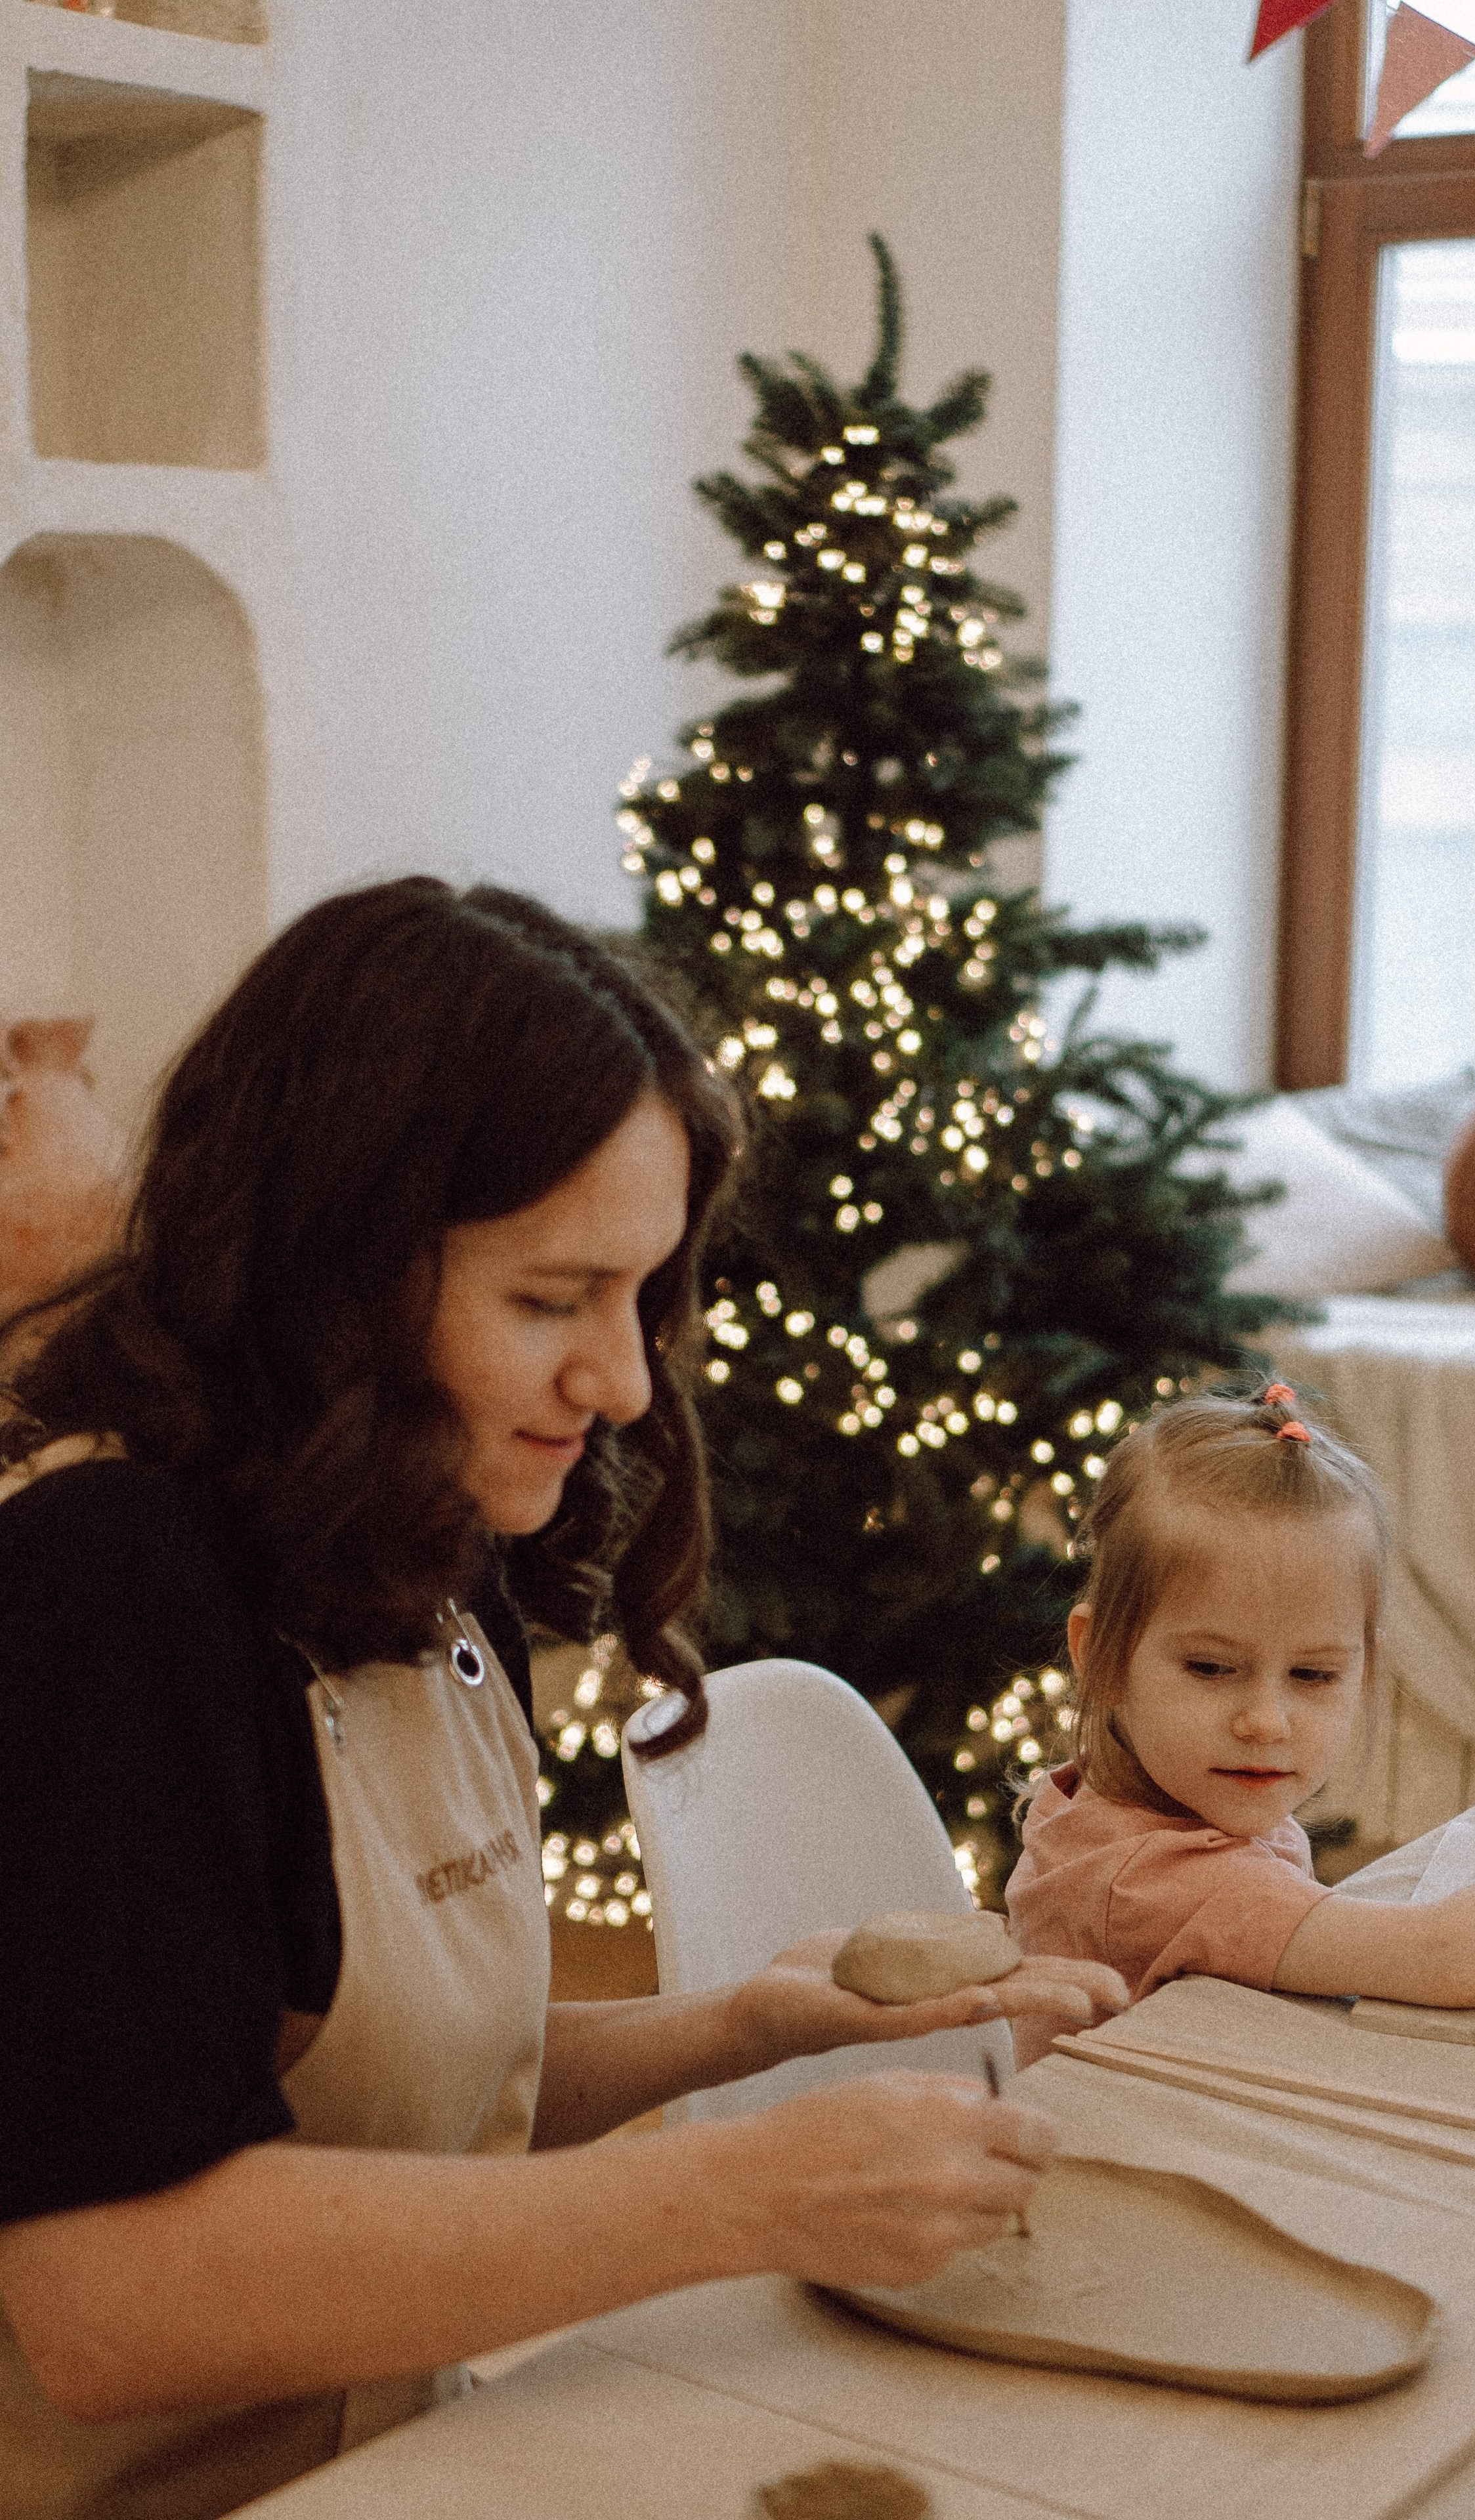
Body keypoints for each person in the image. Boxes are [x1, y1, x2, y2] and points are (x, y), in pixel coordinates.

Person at [0, 878, 1126, 2520]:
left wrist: (737, 2024)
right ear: (334, 1270)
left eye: (641, 1294)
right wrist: (732, 2193)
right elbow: (110, 2291)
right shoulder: (107, 1589)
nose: (620, 1380)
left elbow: (385, 2099)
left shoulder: (414, 1525)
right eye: (550, 1299)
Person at [1006, 1383, 1475, 2070]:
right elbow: (1450, 1958)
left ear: (1364, 1670)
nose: (1265, 1722)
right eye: (1210, 1668)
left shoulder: (1136, 1801)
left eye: (1312, 1675)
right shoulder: (1146, 1881)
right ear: (1103, 1657)